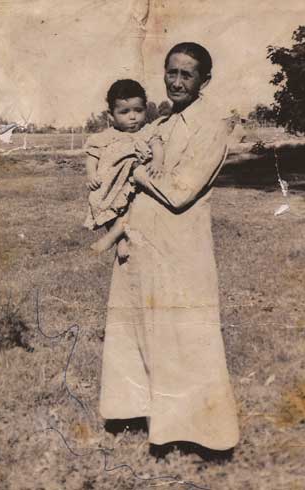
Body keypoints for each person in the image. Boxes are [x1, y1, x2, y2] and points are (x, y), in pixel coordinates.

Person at [99, 42, 240, 454]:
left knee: (186, 336)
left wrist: (138, 174)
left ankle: (205, 436)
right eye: (171, 72)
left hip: (181, 246)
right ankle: (135, 412)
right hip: (142, 243)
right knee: (138, 328)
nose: (177, 82)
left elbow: (180, 192)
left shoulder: (211, 125)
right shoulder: (161, 122)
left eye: (187, 74)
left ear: (204, 81)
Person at [84, 79, 164, 259]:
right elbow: (92, 156)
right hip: (112, 184)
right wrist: (91, 175)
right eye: (124, 112)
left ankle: (111, 238)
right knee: (102, 203)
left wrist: (157, 161)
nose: (133, 117)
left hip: (134, 186)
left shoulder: (147, 131)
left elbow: (157, 145)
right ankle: (120, 240)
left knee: (132, 210)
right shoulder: (106, 136)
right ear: (111, 115)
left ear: (145, 109)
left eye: (138, 110)